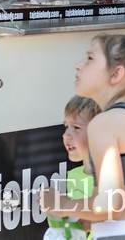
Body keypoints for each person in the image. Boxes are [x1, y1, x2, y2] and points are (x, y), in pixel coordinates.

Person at [40, 34, 125, 239]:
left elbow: (108, 204)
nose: (78, 65)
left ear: (116, 73)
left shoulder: (104, 123)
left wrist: (62, 204)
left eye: (90, 59)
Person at [44, 95, 100, 240]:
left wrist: (62, 205)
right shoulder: (74, 174)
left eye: (76, 127)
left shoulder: (113, 176)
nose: (66, 136)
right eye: (66, 127)